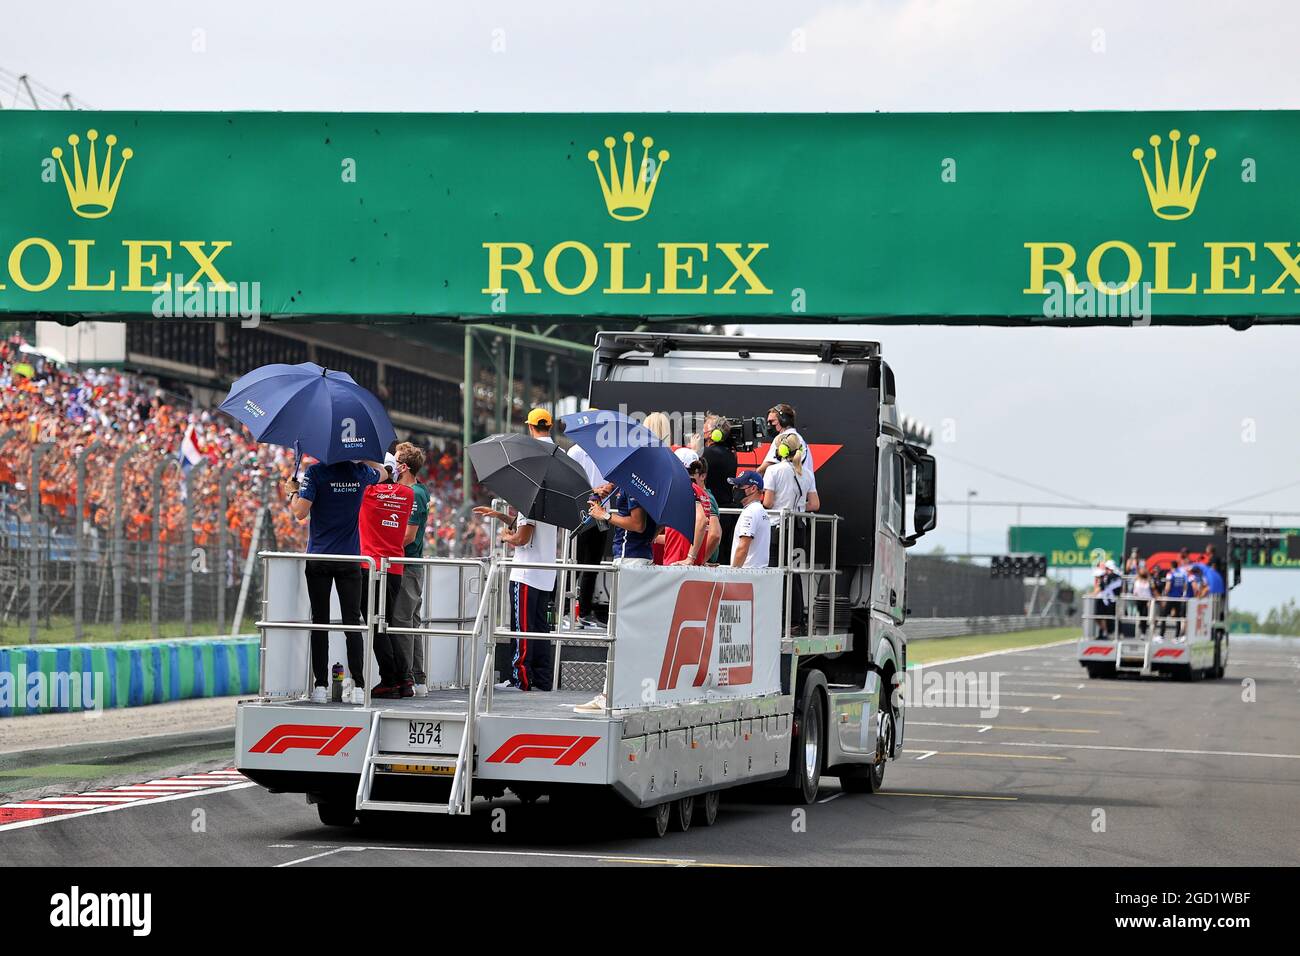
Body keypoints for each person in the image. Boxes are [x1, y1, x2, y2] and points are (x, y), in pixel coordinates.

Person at [287, 455, 391, 703]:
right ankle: (358, 686)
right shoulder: (360, 473)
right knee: (352, 623)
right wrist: (367, 458)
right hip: (349, 559)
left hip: (319, 557)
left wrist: (292, 491)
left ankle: (320, 686)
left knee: (320, 622)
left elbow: (300, 513)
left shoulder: (315, 473)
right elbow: (386, 473)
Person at [475, 408, 559, 692]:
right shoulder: (553, 479)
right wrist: (502, 517)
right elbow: (535, 525)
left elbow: (523, 536)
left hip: (526, 572)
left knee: (522, 629)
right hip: (546, 570)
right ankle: (542, 680)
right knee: (540, 630)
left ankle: (520, 679)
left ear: (531, 428)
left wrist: (505, 536)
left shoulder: (531, 484)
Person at [358, 469, 415, 698]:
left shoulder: (368, 492)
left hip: (370, 567)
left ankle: (390, 680)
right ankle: (404, 679)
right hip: (394, 568)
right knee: (387, 624)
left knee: (375, 625)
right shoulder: (407, 494)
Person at [762, 431, 819, 633]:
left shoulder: (774, 471)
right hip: (798, 528)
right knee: (793, 574)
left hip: (777, 527)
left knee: (773, 572)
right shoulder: (808, 474)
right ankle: (796, 620)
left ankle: (774, 618)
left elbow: (768, 502)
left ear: (781, 450)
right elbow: (815, 504)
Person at [390, 442, 431, 697]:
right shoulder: (416, 491)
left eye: (395, 462)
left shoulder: (415, 493)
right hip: (409, 566)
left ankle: (408, 679)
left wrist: (385, 544)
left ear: (403, 467)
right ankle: (418, 679)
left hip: (408, 566)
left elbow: (408, 535)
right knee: (410, 623)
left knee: (402, 622)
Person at [564, 418, 611, 628]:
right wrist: (595, 491)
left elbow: (612, 479)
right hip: (580, 516)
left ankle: (584, 612)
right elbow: (569, 485)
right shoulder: (575, 452)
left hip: (601, 515)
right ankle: (564, 612)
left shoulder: (607, 451)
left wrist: (609, 487)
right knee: (574, 564)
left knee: (593, 565)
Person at [662, 448, 714, 566]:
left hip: (678, 564)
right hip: (687, 565)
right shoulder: (702, 493)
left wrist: (690, 558)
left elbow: (701, 521)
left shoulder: (685, 490)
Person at [588, 482, 657, 567]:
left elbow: (638, 525)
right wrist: (611, 487)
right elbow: (661, 520)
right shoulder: (650, 483)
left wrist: (604, 515)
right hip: (640, 554)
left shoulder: (633, 484)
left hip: (629, 556)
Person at [701, 412, 739, 555]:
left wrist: (693, 450)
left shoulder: (708, 453)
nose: (703, 433)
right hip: (725, 514)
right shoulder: (731, 454)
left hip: (713, 514)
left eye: (705, 430)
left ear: (714, 434)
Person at [728, 470, 770, 568]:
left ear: (753, 488)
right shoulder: (761, 510)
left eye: (740, 486)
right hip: (756, 574)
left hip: (746, 574)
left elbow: (743, 548)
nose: (735, 489)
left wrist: (732, 574)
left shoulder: (750, 512)